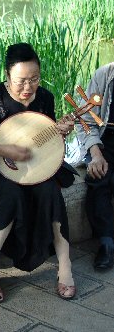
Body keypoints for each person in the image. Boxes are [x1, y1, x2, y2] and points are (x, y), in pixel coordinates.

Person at [0, 43, 76, 302]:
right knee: (11, 193)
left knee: (51, 191)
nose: (28, 88)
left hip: (34, 165)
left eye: (34, 79)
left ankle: (65, 266)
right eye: (20, 81)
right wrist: (4, 149)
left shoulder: (45, 97)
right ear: (7, 76)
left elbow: (44, 140)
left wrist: (60, 132)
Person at [76, 62, 114, 270]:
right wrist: (96, 154)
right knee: (98, 177)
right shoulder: (104, 76)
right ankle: (106, 243)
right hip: (105, 142)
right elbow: (85, 120)